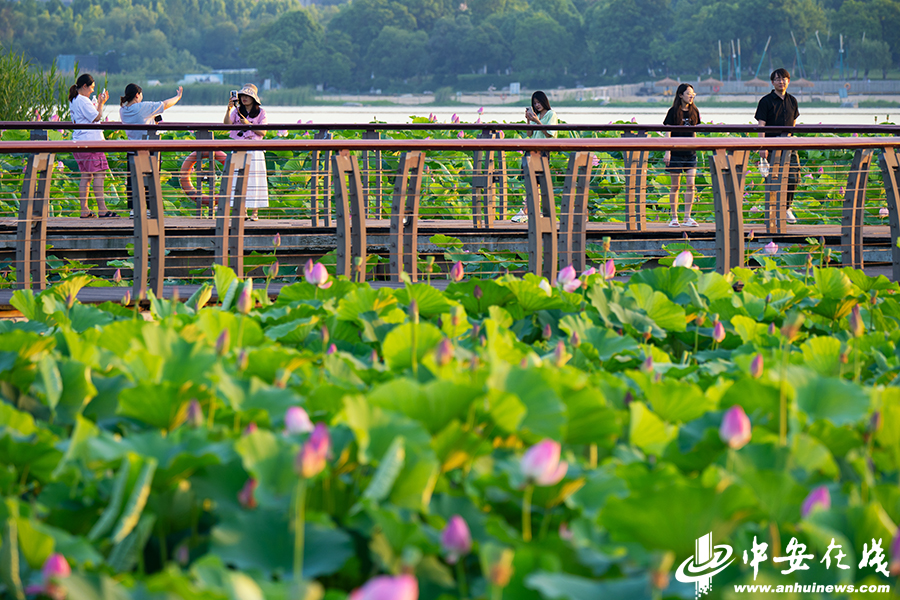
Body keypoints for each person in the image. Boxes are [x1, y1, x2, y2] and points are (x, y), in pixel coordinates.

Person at [120, 83, 184, 217]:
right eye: (141, 95)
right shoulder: (141, 107)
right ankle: (148, 210)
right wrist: (178, 97)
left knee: (133, 181)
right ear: (137, 95)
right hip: (146, 150)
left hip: (132, 150)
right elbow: (165, 104)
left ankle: (134, 210)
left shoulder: (123, 110)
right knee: (149, 179)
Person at [755, 68, 800, 224]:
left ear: (788, 81)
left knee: (794, 177)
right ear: (772, 82)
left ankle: (786, 207)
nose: (781, 82)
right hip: (772, 144)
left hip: (789, 144)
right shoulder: (765, 101)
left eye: (784, 79)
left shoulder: (792, 100)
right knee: (773, 179)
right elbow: (761, 125)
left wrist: (791, 139)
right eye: (778, 79)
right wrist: (763, 147)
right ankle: (773, 213)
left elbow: (793, 123)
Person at [69, 73, 116, 218]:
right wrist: (101, 104)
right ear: (84, 86)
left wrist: (97, 104)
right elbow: (96, 117)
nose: (92, 91)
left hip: (79, 141)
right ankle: (102, 209)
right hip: (91, 143)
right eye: (91, 88)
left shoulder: (74, 100)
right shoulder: (83, 100)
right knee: (99, 174)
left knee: (86, 176)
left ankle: (85, 210)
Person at [224, 83, 268, 221]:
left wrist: (248, 124)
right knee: (238, 178)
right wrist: (228, 108)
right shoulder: (236, 111)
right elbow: (226, 124)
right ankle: (242, 211)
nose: (244, 98)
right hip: (239, 146)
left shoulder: (261, 113)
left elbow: (263, 131)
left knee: (255, 179)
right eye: (242, 96)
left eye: (247, 96)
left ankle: (255, 212)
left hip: (254, 148)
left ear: (254, 98)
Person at [513, 90, 558, 223]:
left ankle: (528, 211)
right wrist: (528, 119)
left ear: (544, 101)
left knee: (538, 182)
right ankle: (530, 210)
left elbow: (549, 133)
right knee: (530, 182)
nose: (537, 105)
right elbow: (529, 134)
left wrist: (537, 121)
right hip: (531, 150)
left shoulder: (551, 114)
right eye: (535, 103)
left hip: (543, 151)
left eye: (539, 102)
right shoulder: (535, 115)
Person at [663, 83, 701, 227]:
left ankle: (687, 217)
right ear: (680, 95)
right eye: (688, 94)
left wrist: (696, 146)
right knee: (676, 186)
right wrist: (668, 151)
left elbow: (694, 132)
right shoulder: (673, 112)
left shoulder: (694, 111)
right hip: (676, 153)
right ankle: (674, 218)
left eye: (693, 94)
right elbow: (668, 132)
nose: (691, 96)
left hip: (690, 153)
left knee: (691, 184)